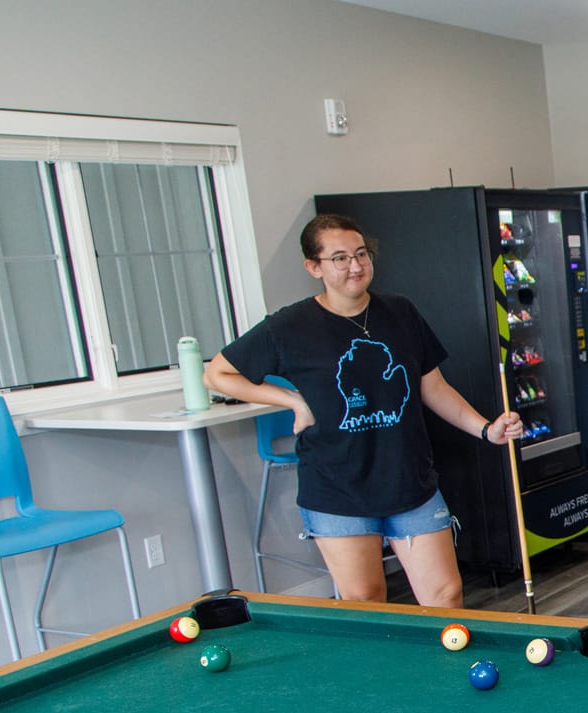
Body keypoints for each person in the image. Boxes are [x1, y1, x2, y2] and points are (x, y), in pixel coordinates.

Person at [204, 213, 523, 608]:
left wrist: (486, 429)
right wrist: (293, 400)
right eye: (339, 258)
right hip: (337, 489)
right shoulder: (290, 326)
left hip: (410, 481)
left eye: (361, 254)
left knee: (445, 594)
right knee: (366, 600)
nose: (355, 266)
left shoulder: (401, 312)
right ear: (314, 267)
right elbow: (217, 374)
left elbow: (434, 387)